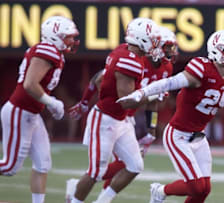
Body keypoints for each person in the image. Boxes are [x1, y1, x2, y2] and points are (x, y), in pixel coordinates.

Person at [118, 29, 224, 203]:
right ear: (216, 50)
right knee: (196, 187)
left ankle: (162, 193)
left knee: (204, 190)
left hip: (199, 136)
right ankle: (160, 192)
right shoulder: (201, 69)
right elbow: (170, 82)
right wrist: (143, 93)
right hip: (178, 135)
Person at [65, 26, 177, 201]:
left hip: (123, 118)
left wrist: (151, 129)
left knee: (135, 165)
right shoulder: (130, 59)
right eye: (163, 45)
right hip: (107, 117)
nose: (168, 51)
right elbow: (126, 99)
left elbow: (151, 102)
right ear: (142, 40)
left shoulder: (155, 64)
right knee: (97, 171)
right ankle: (75, 197)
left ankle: (101, 200)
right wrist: (84, 102)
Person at [0, 16, 79, 203]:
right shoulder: (47, 50)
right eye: (67, 37)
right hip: (20, 111)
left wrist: (48, 101)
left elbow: (37, 86)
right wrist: (51, 103)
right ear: (54, 36)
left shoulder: (54, 53)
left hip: (32, 113)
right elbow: (29, 84)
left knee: (43, 163)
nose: (71, 41)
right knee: (9, 166)